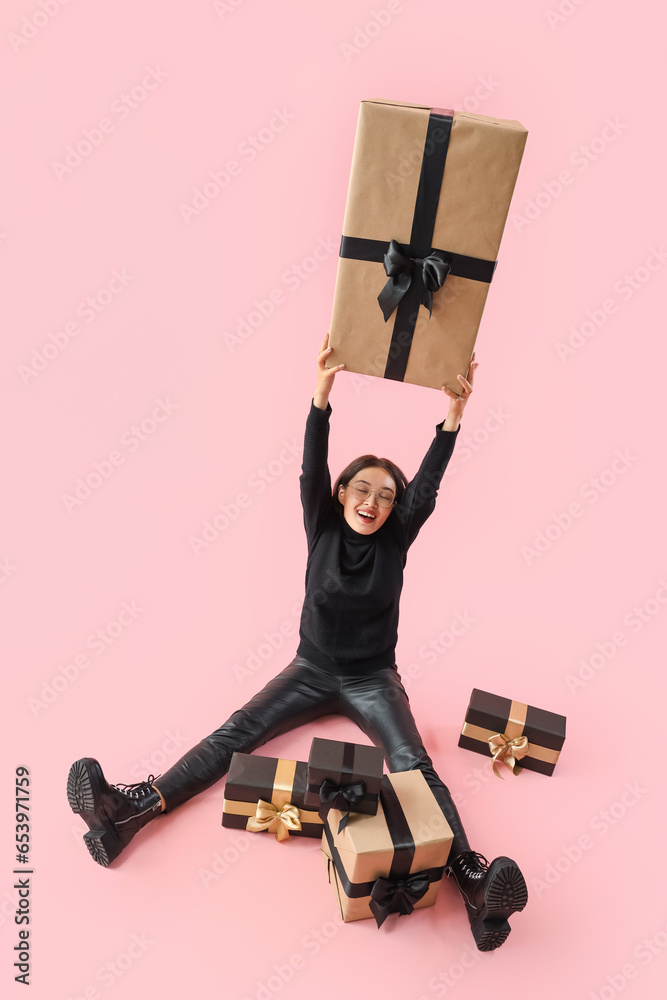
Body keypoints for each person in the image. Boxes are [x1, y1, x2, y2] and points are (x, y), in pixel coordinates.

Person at [67, 331, 527, 952]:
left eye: (386, 497)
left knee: (413, 763)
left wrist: (454, 413)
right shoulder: (321, 523)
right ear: (339, 495)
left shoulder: (397, 538)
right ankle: (131, 810)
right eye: (362, 489)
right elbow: (313, 458)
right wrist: (322, 390)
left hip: (372, 678)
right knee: (236, 731)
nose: (374, 502)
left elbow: (427, 486)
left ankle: (472, 881)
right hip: (310, 668)